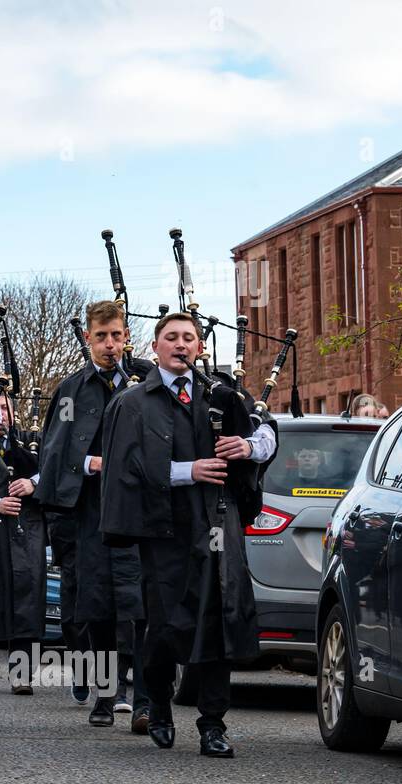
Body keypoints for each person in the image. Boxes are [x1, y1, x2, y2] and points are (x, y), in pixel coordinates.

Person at [102, 312, 272, 758]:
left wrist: (249, 447)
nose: (181, 345)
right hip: (163, 529)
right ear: (155, 346)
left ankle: (213, 724)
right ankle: (158, 704)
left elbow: (268, 430)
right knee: (163, 626)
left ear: (199, 347)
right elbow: (125, 467)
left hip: (218, 523)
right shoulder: (133, 402)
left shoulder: (221, 394)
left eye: (189, 338)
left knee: (220, 620)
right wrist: (187, 471)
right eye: (172, 337)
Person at [37, 300, 150, 727]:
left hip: (140, 513)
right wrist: (91, 463)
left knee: (138, 604)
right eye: (100, 336)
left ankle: (142, 696)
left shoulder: (146, 382)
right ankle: (106, 694)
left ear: (126, 337)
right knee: (97, 605)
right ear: (88, 338)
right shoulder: (72, 389)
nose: (109, 344)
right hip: (91, 513)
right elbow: (54, 449)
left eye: (116, 336)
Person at [0, 390, 45, 693]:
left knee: (26, 599)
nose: (2, 415)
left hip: (26, 532)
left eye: (5, 408)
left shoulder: (31, 443)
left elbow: (54, 474)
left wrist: (32, 484)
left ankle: (22, 674)